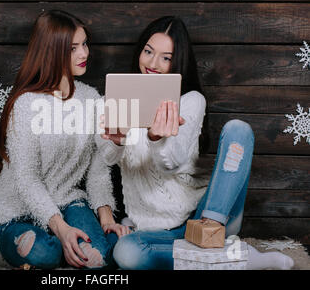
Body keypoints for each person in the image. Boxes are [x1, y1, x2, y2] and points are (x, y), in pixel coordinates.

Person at [98, 16, 294, 270]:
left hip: (206, 215)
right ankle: (233, 256)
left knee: (238, 130)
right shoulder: (113, 100)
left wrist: (155, 138)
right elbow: (106, 158)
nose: (153, 63)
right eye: (148, 51)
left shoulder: (191, 101)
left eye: (166, 57)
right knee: (127, 253)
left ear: (177, 61)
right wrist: (118, 142)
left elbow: (172, 164)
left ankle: (211, 234)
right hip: (155, 229)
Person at [0, 10, 128, 269]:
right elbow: (26, 178)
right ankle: (53, 240)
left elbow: (99, 172)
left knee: (101, 258)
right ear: (51, 51)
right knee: (45, 255)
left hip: (69, 201)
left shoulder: (92, 100)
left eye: (84, 44)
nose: (84, 53)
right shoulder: (25, 104)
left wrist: (107, 219)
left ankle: (69, 242)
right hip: (20, 211)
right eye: (73, 48)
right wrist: (62, 229)